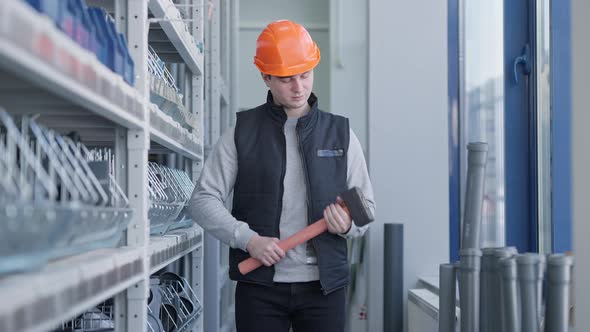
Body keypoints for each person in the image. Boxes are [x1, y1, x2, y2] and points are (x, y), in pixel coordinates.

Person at [189, 19, 375, 332]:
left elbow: (365, 207)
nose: (299, 87)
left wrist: (347, 225)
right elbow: (201, 201)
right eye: (288, 79)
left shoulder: (341, 134)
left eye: (305, 75)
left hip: (324, 289)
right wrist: (249, 240)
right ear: (266, 77)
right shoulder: (242, 133)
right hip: (260, 287)